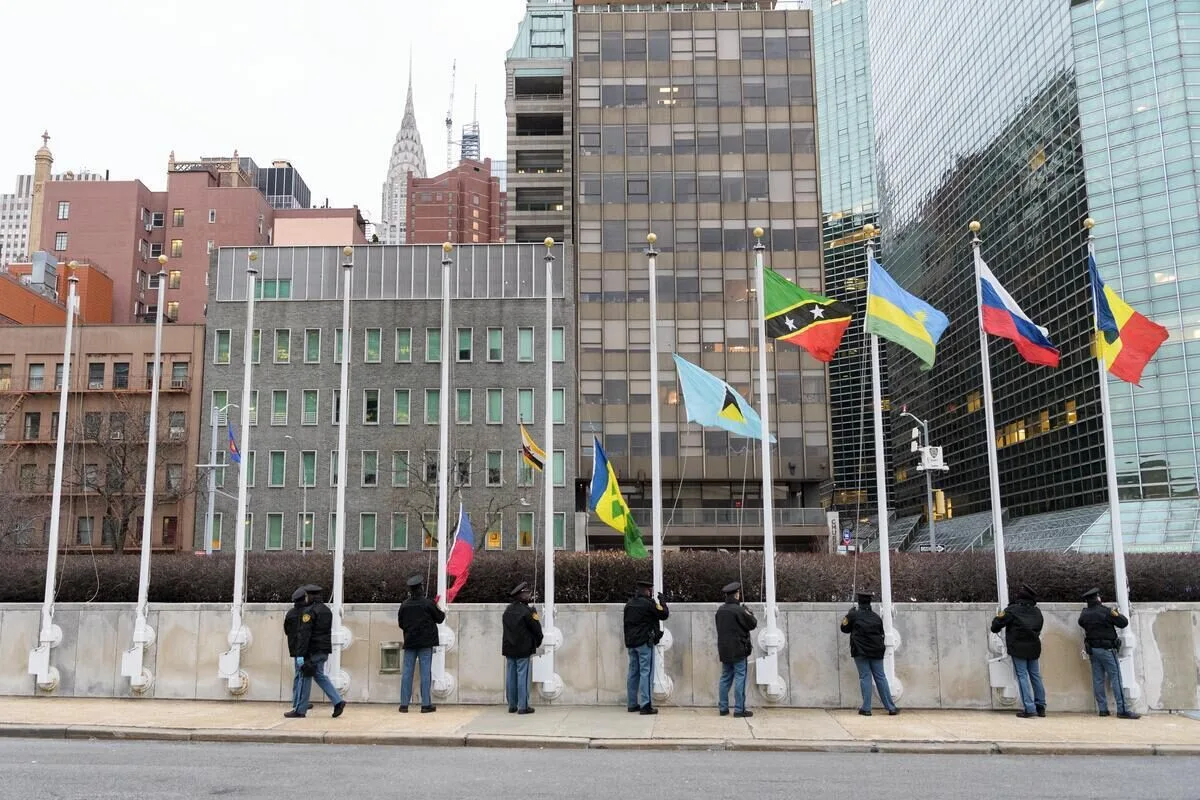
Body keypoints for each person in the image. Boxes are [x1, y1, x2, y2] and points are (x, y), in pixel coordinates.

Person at [283, 585, 345, 719]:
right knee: (319, 676)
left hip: (311, 652)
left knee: (304, 678)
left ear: (309, 596)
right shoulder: (326, 610)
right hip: (323, 650)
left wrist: (301, 654)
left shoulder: (308, 612)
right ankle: (338, 701)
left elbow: (304, 635)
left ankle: (300, 709)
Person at [1078, 587, 1140, 719]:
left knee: (1098, 679)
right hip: (1107, 649)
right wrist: (1116, 613)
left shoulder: (1085, 613)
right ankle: (1122, 709)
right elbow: (1123, 623)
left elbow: (1081, 623)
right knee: (1116, 678)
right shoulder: (1106, 611)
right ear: (1098, 598)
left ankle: (1103, 709)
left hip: (1093, 650)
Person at [991, 583, 1046, 718]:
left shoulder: (1012, 610)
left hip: (1018, 648)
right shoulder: (1036, 611)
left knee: (1022, 676)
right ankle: (1041, 706)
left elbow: (996, 625)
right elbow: (1039, 626)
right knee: (1035, 676)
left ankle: (1029, 707)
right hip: (1033, 647)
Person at [840, 591, 899, 716]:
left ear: (859, 602)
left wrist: (849, 614)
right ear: (870, 602)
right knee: (881, 677)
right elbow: (880, 632)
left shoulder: (854, 615)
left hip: (860, 651)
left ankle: (866, 708)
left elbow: (844, 628)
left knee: (865, 677)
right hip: (876, 651)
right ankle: (891, 707)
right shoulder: (876, 617)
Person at [398, 574, 445, 713]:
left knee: (407, 672)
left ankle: (404, 704)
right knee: (425, 673)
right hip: (425, 643)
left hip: (410, 642)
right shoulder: (428, 603)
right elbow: (440, 618)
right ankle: (425, 704)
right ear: (421, 589)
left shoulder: (404, 605)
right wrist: (438, 606)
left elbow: (401, 623)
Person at [623, 579, 669, 715]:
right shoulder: (649, 604)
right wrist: (663, 602)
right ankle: (645, 705)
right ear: (648, 591)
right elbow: (664, 614)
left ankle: (632, 704)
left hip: (631, 644)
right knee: (646, 673)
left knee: (633, 673)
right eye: (651, 591)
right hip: (644, 643)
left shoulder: (629, 604)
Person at [715, 581, 757, 718]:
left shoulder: (720, 610)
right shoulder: (739, 610)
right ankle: (739, 709)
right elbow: (753, 624)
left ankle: (723, 708)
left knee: (725, 677)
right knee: (740, 677)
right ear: (736, 595)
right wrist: (749, 612)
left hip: (724, 649)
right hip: (739, 649)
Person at [502, 581, 543, 715]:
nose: (529, 595)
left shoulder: (508, 610)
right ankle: (523, 706)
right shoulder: (527, 612)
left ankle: (512, 705)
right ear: (521, 595)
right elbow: (537, 630)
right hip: (523, 648)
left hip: (509, 648)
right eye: (527, 593)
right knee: (522, 676)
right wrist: (537, 641)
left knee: (510, 676)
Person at [283, 587, 315, 715]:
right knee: (302, 675)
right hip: (304, 648)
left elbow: (286, 630)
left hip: (294, 648)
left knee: (298, 674)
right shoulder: (307, 613)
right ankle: (300, 703)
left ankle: (298, 701)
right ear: (304, 598)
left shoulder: (290, 613)